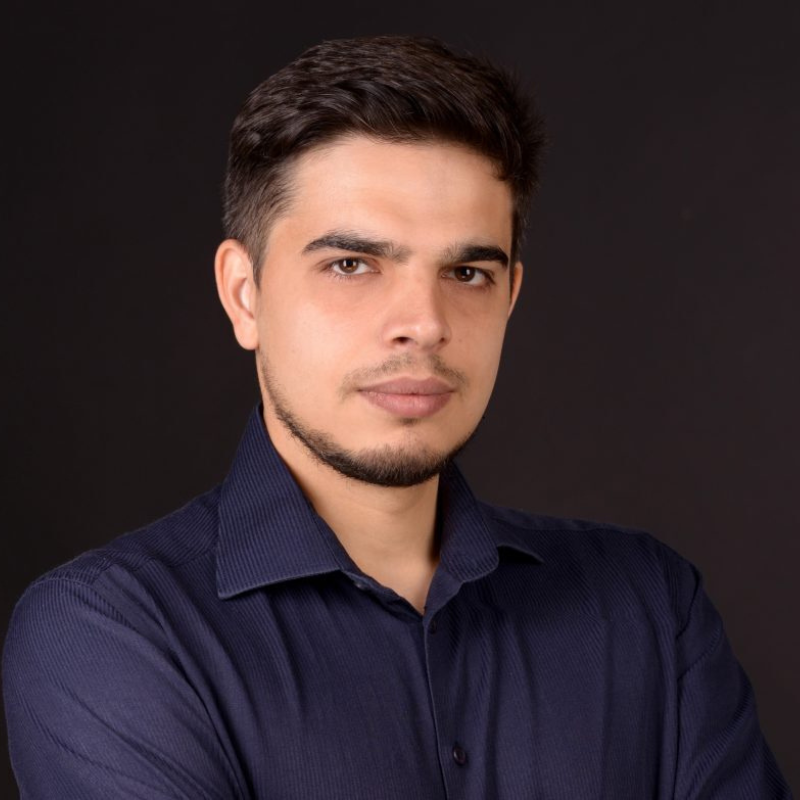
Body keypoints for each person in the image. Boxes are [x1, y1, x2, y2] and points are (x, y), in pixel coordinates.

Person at [2, 35, 791, 799]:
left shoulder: (650, 607)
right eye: (352, 264)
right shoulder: (113, 632)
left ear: (511, 297)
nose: (424, 323)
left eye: (468, 272)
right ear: (245, 294)